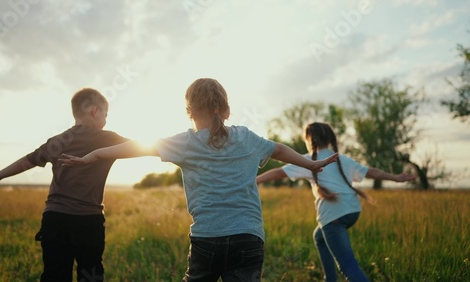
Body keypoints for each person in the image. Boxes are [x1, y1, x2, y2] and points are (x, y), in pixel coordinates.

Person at [59, 78, 339, 282]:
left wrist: (93, 155)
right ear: (226, 110)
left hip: (207, 239)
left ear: (190, 112)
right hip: (248, 237)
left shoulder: (185, 143)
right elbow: (278, 149)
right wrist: (311, 163)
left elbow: (135, 147)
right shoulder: (245, 137)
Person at [0, 88, 129, 281]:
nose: (105, 120)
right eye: (105, 114)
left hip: (54, 219)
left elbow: (27, 161)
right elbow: (143, 146)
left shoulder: (59, 140)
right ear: (95, 111)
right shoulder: (109, 139)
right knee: (91, 274)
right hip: (87, 221)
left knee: (55, 274)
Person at [256, 122, 415, 282]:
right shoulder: (341, 159)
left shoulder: (308, 160)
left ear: (309, 139)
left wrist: (254, 180)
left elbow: (279, 172)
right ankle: (330, 279)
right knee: (319, 236)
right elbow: (371, 172)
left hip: (334, 216)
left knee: (347, 265)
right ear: (330, 139)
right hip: (352, 211)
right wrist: (396, 178)